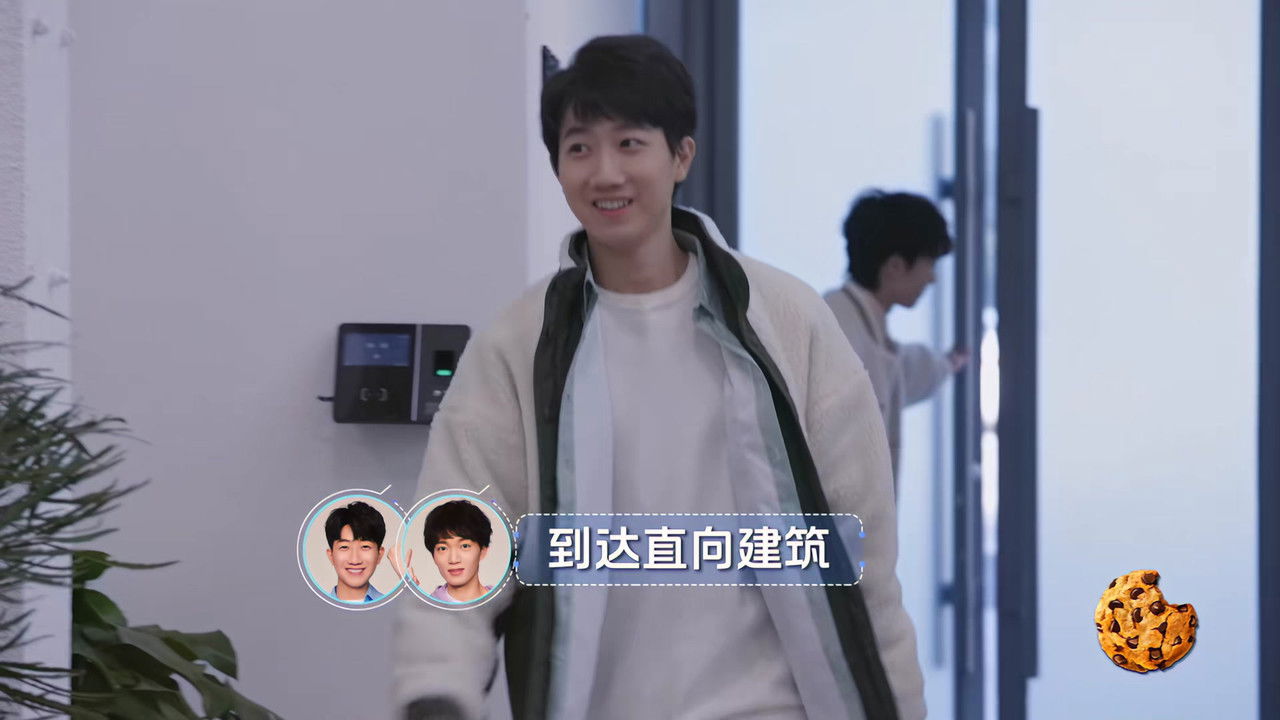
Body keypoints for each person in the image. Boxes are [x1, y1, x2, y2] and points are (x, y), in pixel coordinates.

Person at [395, 35, 925, 720]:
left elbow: (866, 562)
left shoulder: (788, 321)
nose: (605, 173)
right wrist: (436, 689)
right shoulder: (520, 344)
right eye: (579, 148)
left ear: (681, 156)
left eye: (630, 144)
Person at [823, 190, 968, 484]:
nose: (932, 278)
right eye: (930, 264)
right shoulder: (838, 335)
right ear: (895, 267)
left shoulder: (857, 322)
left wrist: (949, 363)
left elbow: (905, 369)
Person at [420, 500, 494, 603]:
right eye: (443, 548)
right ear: (433, 556)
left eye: (465, 546)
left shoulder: (505, 600)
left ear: (483, 551)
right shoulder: (425, 607)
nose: (453, 559)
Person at [324, 500, 387, 603]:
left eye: (365, 546)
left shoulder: (395, 606)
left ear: (379, 555)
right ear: (331, 555)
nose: (355, 560)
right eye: (344, 547)